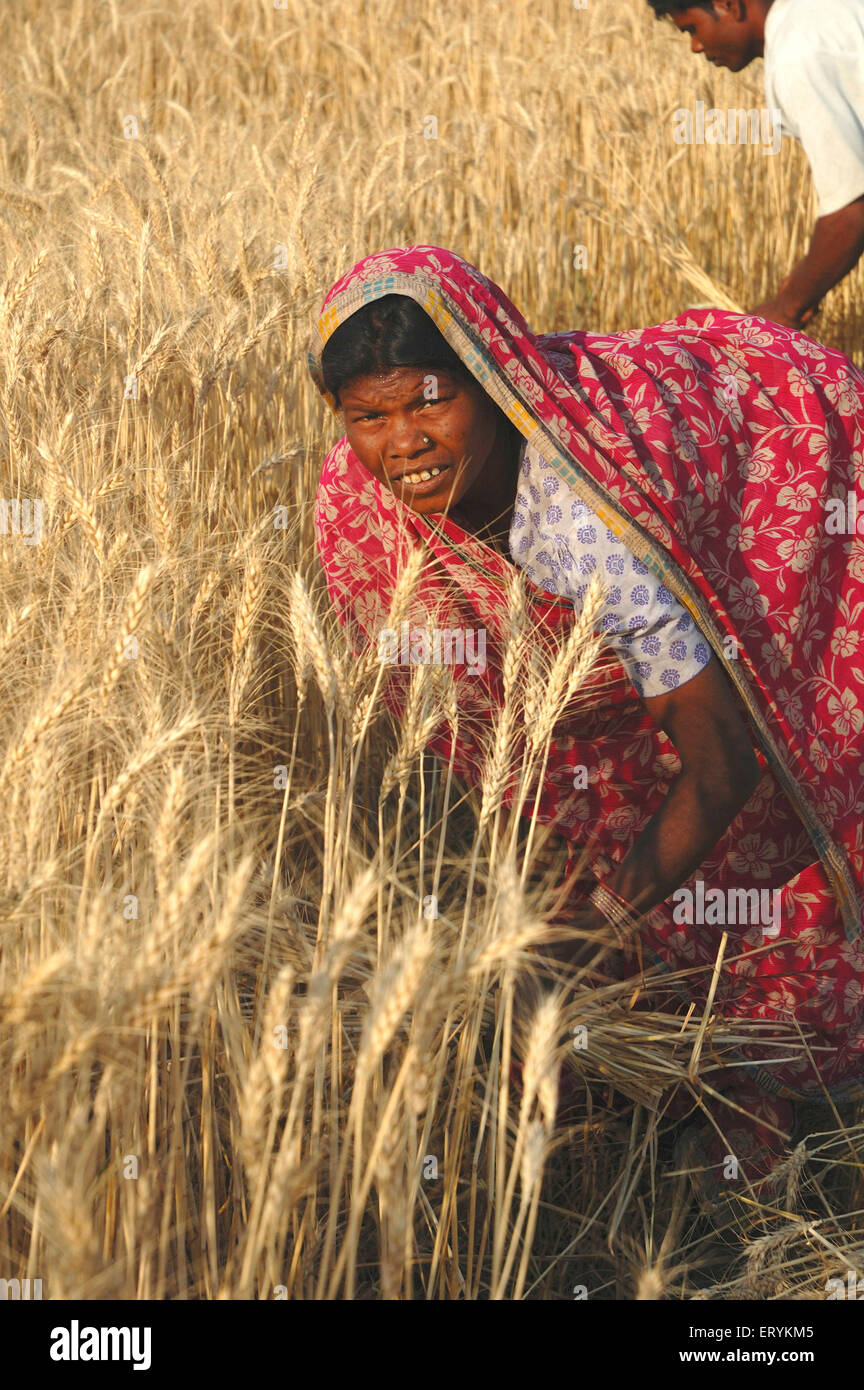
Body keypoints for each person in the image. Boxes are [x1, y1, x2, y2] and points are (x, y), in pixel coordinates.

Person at [307, 243, 864, 1189]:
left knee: (796, 731)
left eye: (432, 400)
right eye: (371, 416)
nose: (404, 442)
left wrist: (604, 923)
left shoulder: (582, 519)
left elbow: (725, 764)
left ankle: (771, 1057)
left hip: (789, 455)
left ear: (492, 381)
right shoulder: (360, 498)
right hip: (679, 473)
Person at [649, 0, 864, 331]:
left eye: (692, 28)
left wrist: (787, 308)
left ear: (728, 5)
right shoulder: (821, 14)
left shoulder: (797, 55)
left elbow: (851, 211)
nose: (695, 46)